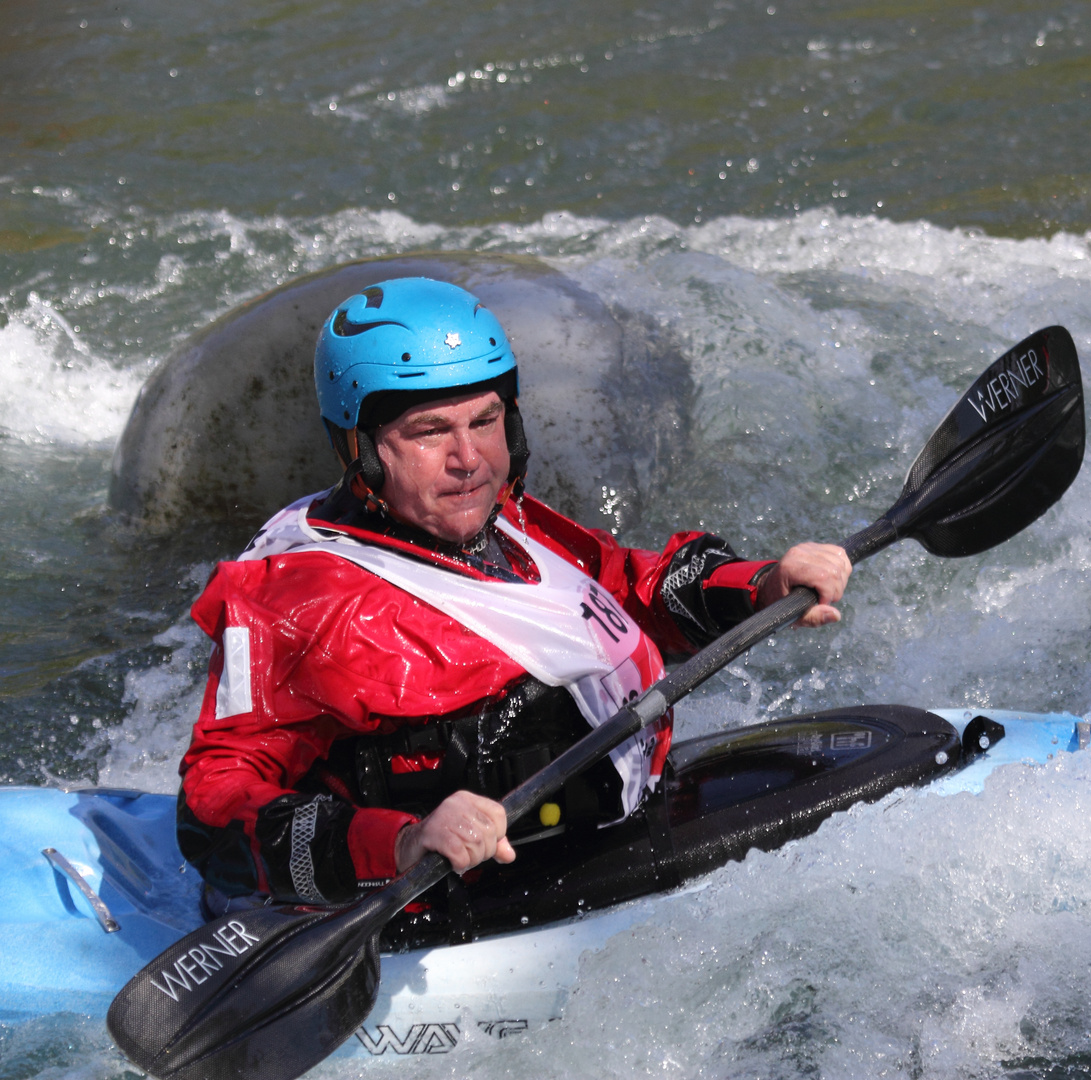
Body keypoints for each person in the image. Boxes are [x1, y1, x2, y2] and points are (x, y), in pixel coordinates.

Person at [176, 277, 850, 919]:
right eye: (430, 431)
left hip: (602, 837)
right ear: (362, 448)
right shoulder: (296, 600)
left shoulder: (505, 522)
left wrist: (764, 586)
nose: (469, 458)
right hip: (434, 906)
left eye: (486, 420)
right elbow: (213, 808)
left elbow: (625, 587)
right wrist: (403, 842)